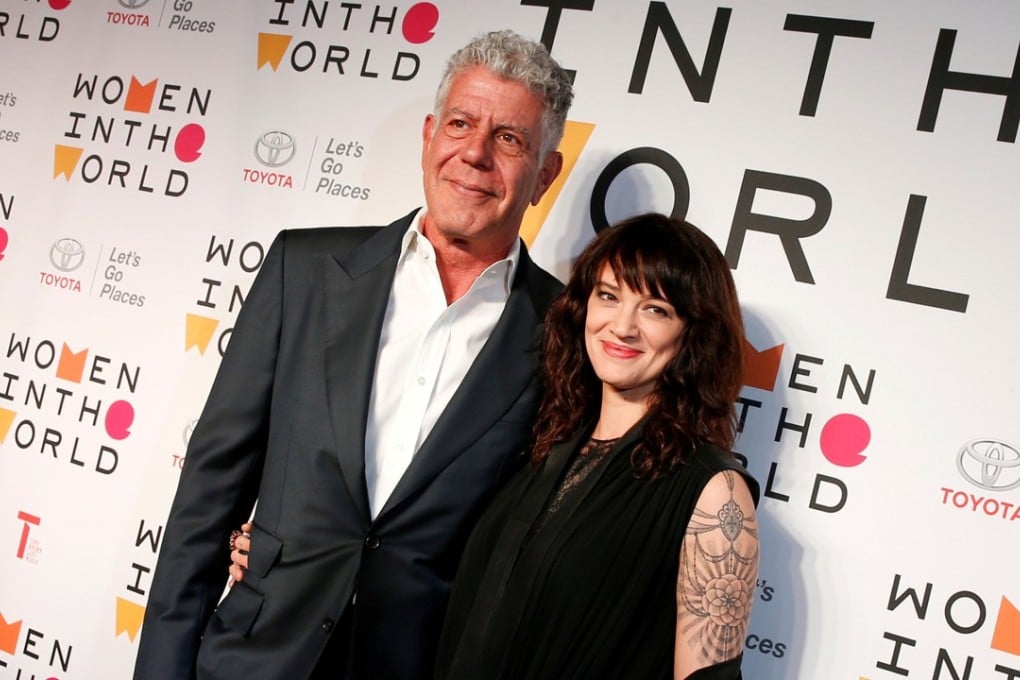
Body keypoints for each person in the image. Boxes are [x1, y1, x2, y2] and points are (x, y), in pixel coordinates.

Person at [133, 30, 573, 680]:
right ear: (429, 135)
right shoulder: (305, 270)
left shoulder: (565, 332)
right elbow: (208, 495)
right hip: (254, 659)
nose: (475, 153)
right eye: (460, 123)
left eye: (508, 138)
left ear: (545, 175)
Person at [232, 214, 761, 678]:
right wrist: (299, 553)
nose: (621, 326)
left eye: (656, 309)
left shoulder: (714, 492)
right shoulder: (548, 445)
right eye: (608, 295)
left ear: (694, 333)